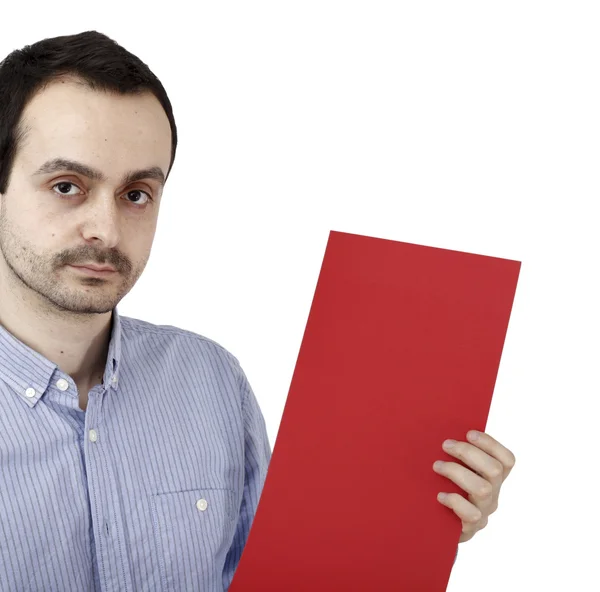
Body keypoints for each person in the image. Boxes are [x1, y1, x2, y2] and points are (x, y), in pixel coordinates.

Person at [0, 30, 271, 591]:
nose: (106, 229)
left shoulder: (212, 381)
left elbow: (283, 575)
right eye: (67, 185)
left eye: (137, 194)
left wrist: (417, 515)